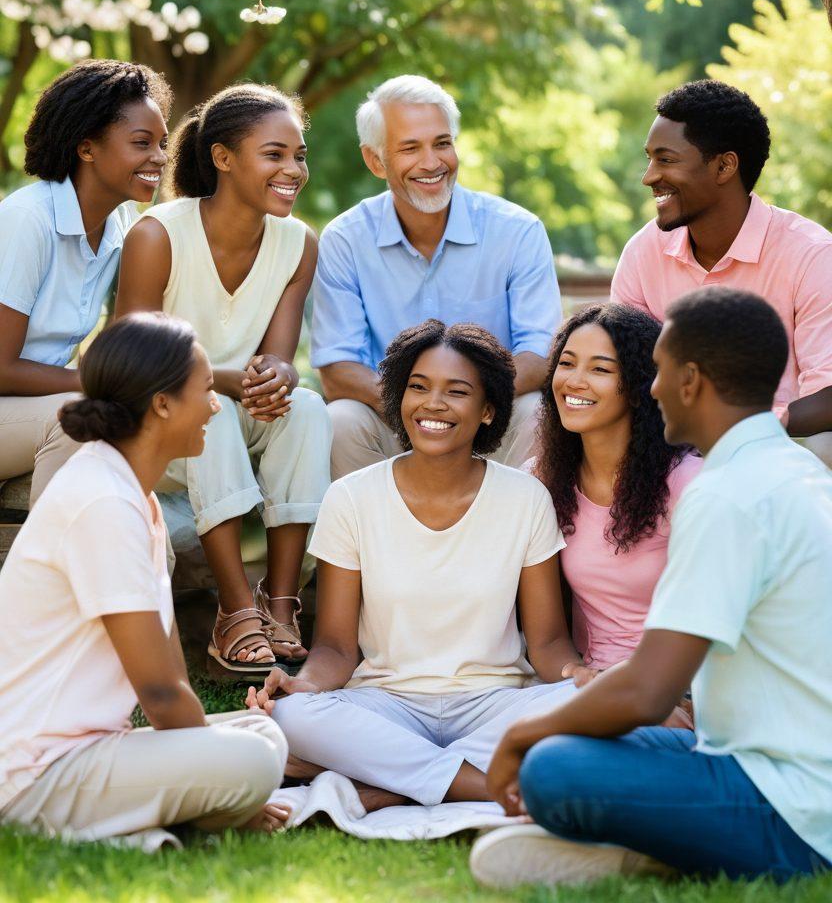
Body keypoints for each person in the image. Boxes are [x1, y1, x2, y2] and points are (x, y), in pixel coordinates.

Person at [472, 288, 832, 889]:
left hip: (793, 804)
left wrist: (522, 737)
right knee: (573, 749)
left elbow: (647, 690)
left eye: (659, 371)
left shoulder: (722, 495)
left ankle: (663, 850)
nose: (653, 387)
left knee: (553, 767)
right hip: (737, 751)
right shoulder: (793, 471)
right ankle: (648, 846)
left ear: (690, 380)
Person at [247, 320, 578, 810]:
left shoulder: (525, 497)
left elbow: (548, 641)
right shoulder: (352, 497)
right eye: (417, 387)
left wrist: (579, 673)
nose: (433, 404)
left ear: (488, 411)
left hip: (496, 703)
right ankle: (483, 785)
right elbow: (337, 647)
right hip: (387, 704)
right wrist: (305, 684)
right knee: (293, 718)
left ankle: (392, 784)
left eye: (457, 392)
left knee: (585, 704)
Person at [0, 313, 289, 842]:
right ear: (162, 403)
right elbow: (158, 693)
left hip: (88, 747)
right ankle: (149, 819)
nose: (216, 405)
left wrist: (202, 762)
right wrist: (224, 788)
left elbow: (171, 674)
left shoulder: (135, 496)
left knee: (264, 733)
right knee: (252, 762)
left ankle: (147, 819)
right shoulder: (103, 501)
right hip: (32, 772)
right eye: (205, 390)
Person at [116, 84, 331, 675]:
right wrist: (229, 381)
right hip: (154, 420)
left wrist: (277, 375)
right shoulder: (158, 234)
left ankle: (281, 606)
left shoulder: (297, 243)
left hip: (233, 411)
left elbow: (281, 355)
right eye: (275, 154)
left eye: (299, 155)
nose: (293, 169)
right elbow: (129, 360)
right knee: (205, 404)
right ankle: (234, 612)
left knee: (307, 409)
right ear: (222, 157)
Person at [310, 75, 561, 479]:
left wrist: (468, 405)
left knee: (536, 411)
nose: (431, 163)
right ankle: (369, 543)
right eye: (410, 148)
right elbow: (337, 368)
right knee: (340, 420)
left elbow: (540, 353)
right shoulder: (345, 239)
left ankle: (520, 541)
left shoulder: (518, 231)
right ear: (376, 161)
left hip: (489, 419)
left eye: (441, 143)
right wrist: (420, 407)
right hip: (394, 418)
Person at [611, 78, 832, 465]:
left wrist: (736, 426)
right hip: (667, 445)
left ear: (725, 166)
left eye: (665, 159)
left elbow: (828, 395)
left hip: (780, 446)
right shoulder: (644, 252)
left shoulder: (812, 255)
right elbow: (625, 368)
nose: (648, 176)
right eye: (649, 158)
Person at [0, 60, 171, 501]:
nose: (159, 157)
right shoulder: (28, 219)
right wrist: (101, 383)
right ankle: (51, 564)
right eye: (141, 143)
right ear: (87, 148)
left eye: (162, 143)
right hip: (15, 406)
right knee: (78, 418)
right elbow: (1, 368)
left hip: (28, 409)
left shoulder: (120, 224)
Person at [528, 303, 700, 694]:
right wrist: (585, 682)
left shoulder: (689, 483)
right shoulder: (542, 480)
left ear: (642, 389)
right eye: (567, 363)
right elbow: (546, 640)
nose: (574, 381)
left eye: (600, 369)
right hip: (587, 685)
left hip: (683, 689)